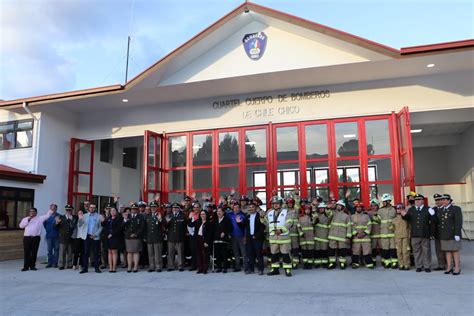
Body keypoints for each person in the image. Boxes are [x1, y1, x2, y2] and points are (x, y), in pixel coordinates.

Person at [401, 194, 434, 273]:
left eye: (419, 200)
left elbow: (433, 221)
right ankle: (418, 266)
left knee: (426, 251)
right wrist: (403, 215)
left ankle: (427, 266)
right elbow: (407, 218)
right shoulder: (411, 209)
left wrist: (433, 214)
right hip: (415, 234)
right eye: (416, 200)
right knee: (416, 251)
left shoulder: (427, 209)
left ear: (423, 201)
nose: (417, 202)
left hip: (425, 233)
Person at [265, 196, 293, 277]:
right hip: (273, 238)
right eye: (274, 204)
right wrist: (262, 218)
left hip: (283, 237)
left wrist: (281, 230)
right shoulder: (269, 213)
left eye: (277, 203)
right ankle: (275, 269)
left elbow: (289, 222)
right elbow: (266, 223)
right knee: (274, 255)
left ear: (280, 204)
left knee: (285, 254)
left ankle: (287, 269)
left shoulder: (287, 211)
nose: (276, 205)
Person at [435, 194, 463, 275]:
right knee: (447, 251)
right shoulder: (441, 210)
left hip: (453, 234)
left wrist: (457, 233)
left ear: (449, 200)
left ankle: (457, 267)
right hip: (444, 234)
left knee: (454, 251)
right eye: (441, 200)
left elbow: (458, 222)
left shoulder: (456, 209)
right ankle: (449, 267)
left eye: (444, 200)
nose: (442, 201)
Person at [77, 203, 103, 273]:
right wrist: (80, 218)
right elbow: (80, 224)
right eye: (91, 207)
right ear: (89, 208)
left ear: (95, 208)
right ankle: (85, 268)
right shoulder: (85, 216)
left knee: (96, 253)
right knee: (86, 253)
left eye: (94, 208)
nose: (92, 209)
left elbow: (101, 227)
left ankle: (97, 268)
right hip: (87, 236)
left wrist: (95, 234)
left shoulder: (99, 216)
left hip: (95, 237)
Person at [327, 200, 351, 269]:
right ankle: (332, 263)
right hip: (333, 235)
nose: (338, 206)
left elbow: (349, 226)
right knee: (331, 250)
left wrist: (348, 236)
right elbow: (328, 213)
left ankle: (342, 263)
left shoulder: (346, 216)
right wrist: (329, 208)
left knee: (342, 251)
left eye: (340, 205)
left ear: (343, 207)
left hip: (342, 236)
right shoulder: (333, 213)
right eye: (337, 205)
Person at [350, 203, 374, 269]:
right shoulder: (352, 217)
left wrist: (365, 233)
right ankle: (355, 263)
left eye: (360, 207)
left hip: (365, 237)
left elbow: (369, 225)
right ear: (355, 208)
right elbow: (351, 226)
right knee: (355, 251)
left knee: (367, 251)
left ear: (362, 208)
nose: (359, 208)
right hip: (356, 237)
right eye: (357, 207)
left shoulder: (366, 216)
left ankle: (369, 264)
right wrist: (356, 234)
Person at [244, 201, 265, 275]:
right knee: (250, 254)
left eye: (252, 207)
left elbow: (262, 227)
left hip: (258, 238)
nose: (251, 208)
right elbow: (244, 225)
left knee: (259, 254)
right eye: (250, 207)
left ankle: (261, 269)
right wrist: (239, 222)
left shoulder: (259, 216)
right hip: (249, 238)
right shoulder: (247, 216)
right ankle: (251, 269)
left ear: (255, 208)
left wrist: (256, 235)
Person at [123, 203, 145, 273]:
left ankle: (135, 267)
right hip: (128, 237)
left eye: (135, 209)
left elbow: (142, 227)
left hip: (136, 237)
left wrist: (135, 234)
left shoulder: (140, 217)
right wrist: (125, 219)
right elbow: (123, 226)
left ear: (137, 209)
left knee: (136, 252)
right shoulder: (128, 216)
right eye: (132, 209)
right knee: (129, 252)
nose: (133, 210)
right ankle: (129, 266)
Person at [227, 202, 247, 272]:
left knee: (243, 252)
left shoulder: (242, 216)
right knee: (236, 252)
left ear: (239, 208)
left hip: (241, 236)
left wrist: (245, 236)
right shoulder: (230, 215)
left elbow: (245, 227)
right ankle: (237, 266)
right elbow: (222, 212)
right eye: (235, 207)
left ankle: (245, 267)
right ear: (233, 208)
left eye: (238, 207)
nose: (236, 209)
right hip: (233, 236)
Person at [145, 201, 165, 272]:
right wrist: (145, 236)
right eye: (151, 207)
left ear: (157, 207)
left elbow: (164, 225)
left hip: (157, 238)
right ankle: (151, 266)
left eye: (154, 207)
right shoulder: (148, 215)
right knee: (150, 253)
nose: (153, 208)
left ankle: (158, 266)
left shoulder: (160, 215)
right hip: (150, 237)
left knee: (157, 253)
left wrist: (160, 219)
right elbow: (145, 227)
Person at [378, 194, 398, 269]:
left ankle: (394, 262)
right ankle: (387, 262)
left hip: (392, 233)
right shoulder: (380, 210)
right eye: (382, 202)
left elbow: (397, 220)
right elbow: (378, 220)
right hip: (383, 233)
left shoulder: (394, 210)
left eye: (384, 201)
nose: (383, 203)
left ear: (389, 201)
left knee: (393, 249)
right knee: (385, 249)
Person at [166, 202, 186, 271]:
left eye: (176, 208)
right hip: (171, 237)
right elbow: (165, 227)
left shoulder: (182, 216)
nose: (175, 209)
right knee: (170, 253)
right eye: (173, 208)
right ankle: (170, 266)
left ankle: (180, 266)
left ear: (179, 209)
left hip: (179, 237)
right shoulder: (169, 216)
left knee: (180, 253)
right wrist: (167, 222)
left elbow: (184, 227)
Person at [212, 207, 232, 273]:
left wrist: (224, 232)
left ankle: (225, 267)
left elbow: (229, 228)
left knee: (224, 254)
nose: (218, 213)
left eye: (220, 211)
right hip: (216, 239)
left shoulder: (227, 220)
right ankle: (218, 267)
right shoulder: (215, 220)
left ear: (223, 212)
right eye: (217, 211)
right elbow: (213, 230)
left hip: (224, 240)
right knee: (217, 254)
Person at [313, 202, 332, 268]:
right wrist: (314, 205)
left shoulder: (327, 215)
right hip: (317, 235)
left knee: (324, 250)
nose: (321, 210)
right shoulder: (316, 215)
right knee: (317, 250)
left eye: (322, 208)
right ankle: (317, 263)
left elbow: (330, 213)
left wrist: (328, 208)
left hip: (324, 235)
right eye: (320, 208)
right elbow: (312, 217)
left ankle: (324, 263)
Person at [393, 203, 411, 270]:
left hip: (405, 237)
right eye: (398, 208)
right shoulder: (394, 219)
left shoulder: (406, 218)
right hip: (397, 237)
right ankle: (401, 264)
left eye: (401, 208)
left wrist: (409, 236)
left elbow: (409, 228)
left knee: (405, 251)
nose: (399, 210)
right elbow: (392, 228)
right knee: (399, 251)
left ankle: (406, 264)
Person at [56, 205, 75, 270]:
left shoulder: (74, 217)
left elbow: (75, 226)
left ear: (72, 210)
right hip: (63, 237)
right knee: (62, 252)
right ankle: (61, 265)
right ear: (65, 210)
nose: (68, 211)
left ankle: (69, 264)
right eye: (67, 210)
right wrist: (57, 223)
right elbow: (55, 227)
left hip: (71, 237)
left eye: (70, 210)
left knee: (70, 252)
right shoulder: (61, 217)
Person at [432, 194, 447, 271]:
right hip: (437, 233)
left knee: (447, 249)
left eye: (439, 200)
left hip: (445, 233)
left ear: (442, 200)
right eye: (436, 200)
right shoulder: (433, 209)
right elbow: (431, 222)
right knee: (438, 250)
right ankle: (441, 265)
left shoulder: (445, 208)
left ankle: (449, 263)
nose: (437, 202)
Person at [105, 207, 123, 273]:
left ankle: (114, 267)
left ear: (116, 211)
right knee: (109, 252)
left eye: (114, 210)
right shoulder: (108, 219)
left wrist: (112, 234)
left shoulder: (119, 219)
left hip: (115, 237)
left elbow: (119, 228)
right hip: (108, 237)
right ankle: (110, 267)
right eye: (111, 210)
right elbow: (105, 226)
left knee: (114, 252)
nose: (112, 212)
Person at [298, 204, 315, 269]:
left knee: (310, 251)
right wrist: (301, 233)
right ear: (304, 210)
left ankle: (310, 264)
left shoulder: (313, 217)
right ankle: (305, 264)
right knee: (304, 251)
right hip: (303, 237)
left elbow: (314, 223)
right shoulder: (300, 218)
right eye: (306, 210)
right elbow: (298, 227)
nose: (307, 211)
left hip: (310, 236)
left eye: (308, 210)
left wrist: (313, 215)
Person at [286, 196, 301, 269]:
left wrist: (296, 194)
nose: (289, 204)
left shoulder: (296, 210)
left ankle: (295, 262)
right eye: (288, 203)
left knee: (295, 248)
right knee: (288, 248)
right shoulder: (284, 211)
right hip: (287, 232)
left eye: (291, 203)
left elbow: (298, 203)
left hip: (294, 232)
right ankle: (289, 261)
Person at [43, 204, 60, 268]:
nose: (53, 210)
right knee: (49, 250)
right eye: (51, 208)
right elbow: (44, 225)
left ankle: (55, 263)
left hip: (57, 236)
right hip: (49, 236)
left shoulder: (59, 216)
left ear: (56, 209)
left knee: (56, 250)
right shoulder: (47, 217)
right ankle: (49, 263)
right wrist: (48, 230)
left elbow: (60, 226)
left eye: (54, 208)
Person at [187, 201, 201, 271]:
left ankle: (200, 265)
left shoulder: (201, 215)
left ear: (200, 208)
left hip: (200, 236)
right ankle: (194, 265)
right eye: (194, 207)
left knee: (199, 251)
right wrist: (191, 233)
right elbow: (189, 225)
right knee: (193, 250)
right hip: (193, 235)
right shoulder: (191, 215)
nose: (196, 209)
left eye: (197, 207)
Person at [368, 199, 382, 266]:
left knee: (382, 249)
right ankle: (373, 261)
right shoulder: (368, 213)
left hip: (380, 234)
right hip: (372, 234)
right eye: (372, 205)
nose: (373, 207)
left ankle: (384, 261)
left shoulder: (380, 212)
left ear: (377, 206)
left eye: (374, 205)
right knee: (373, 249)